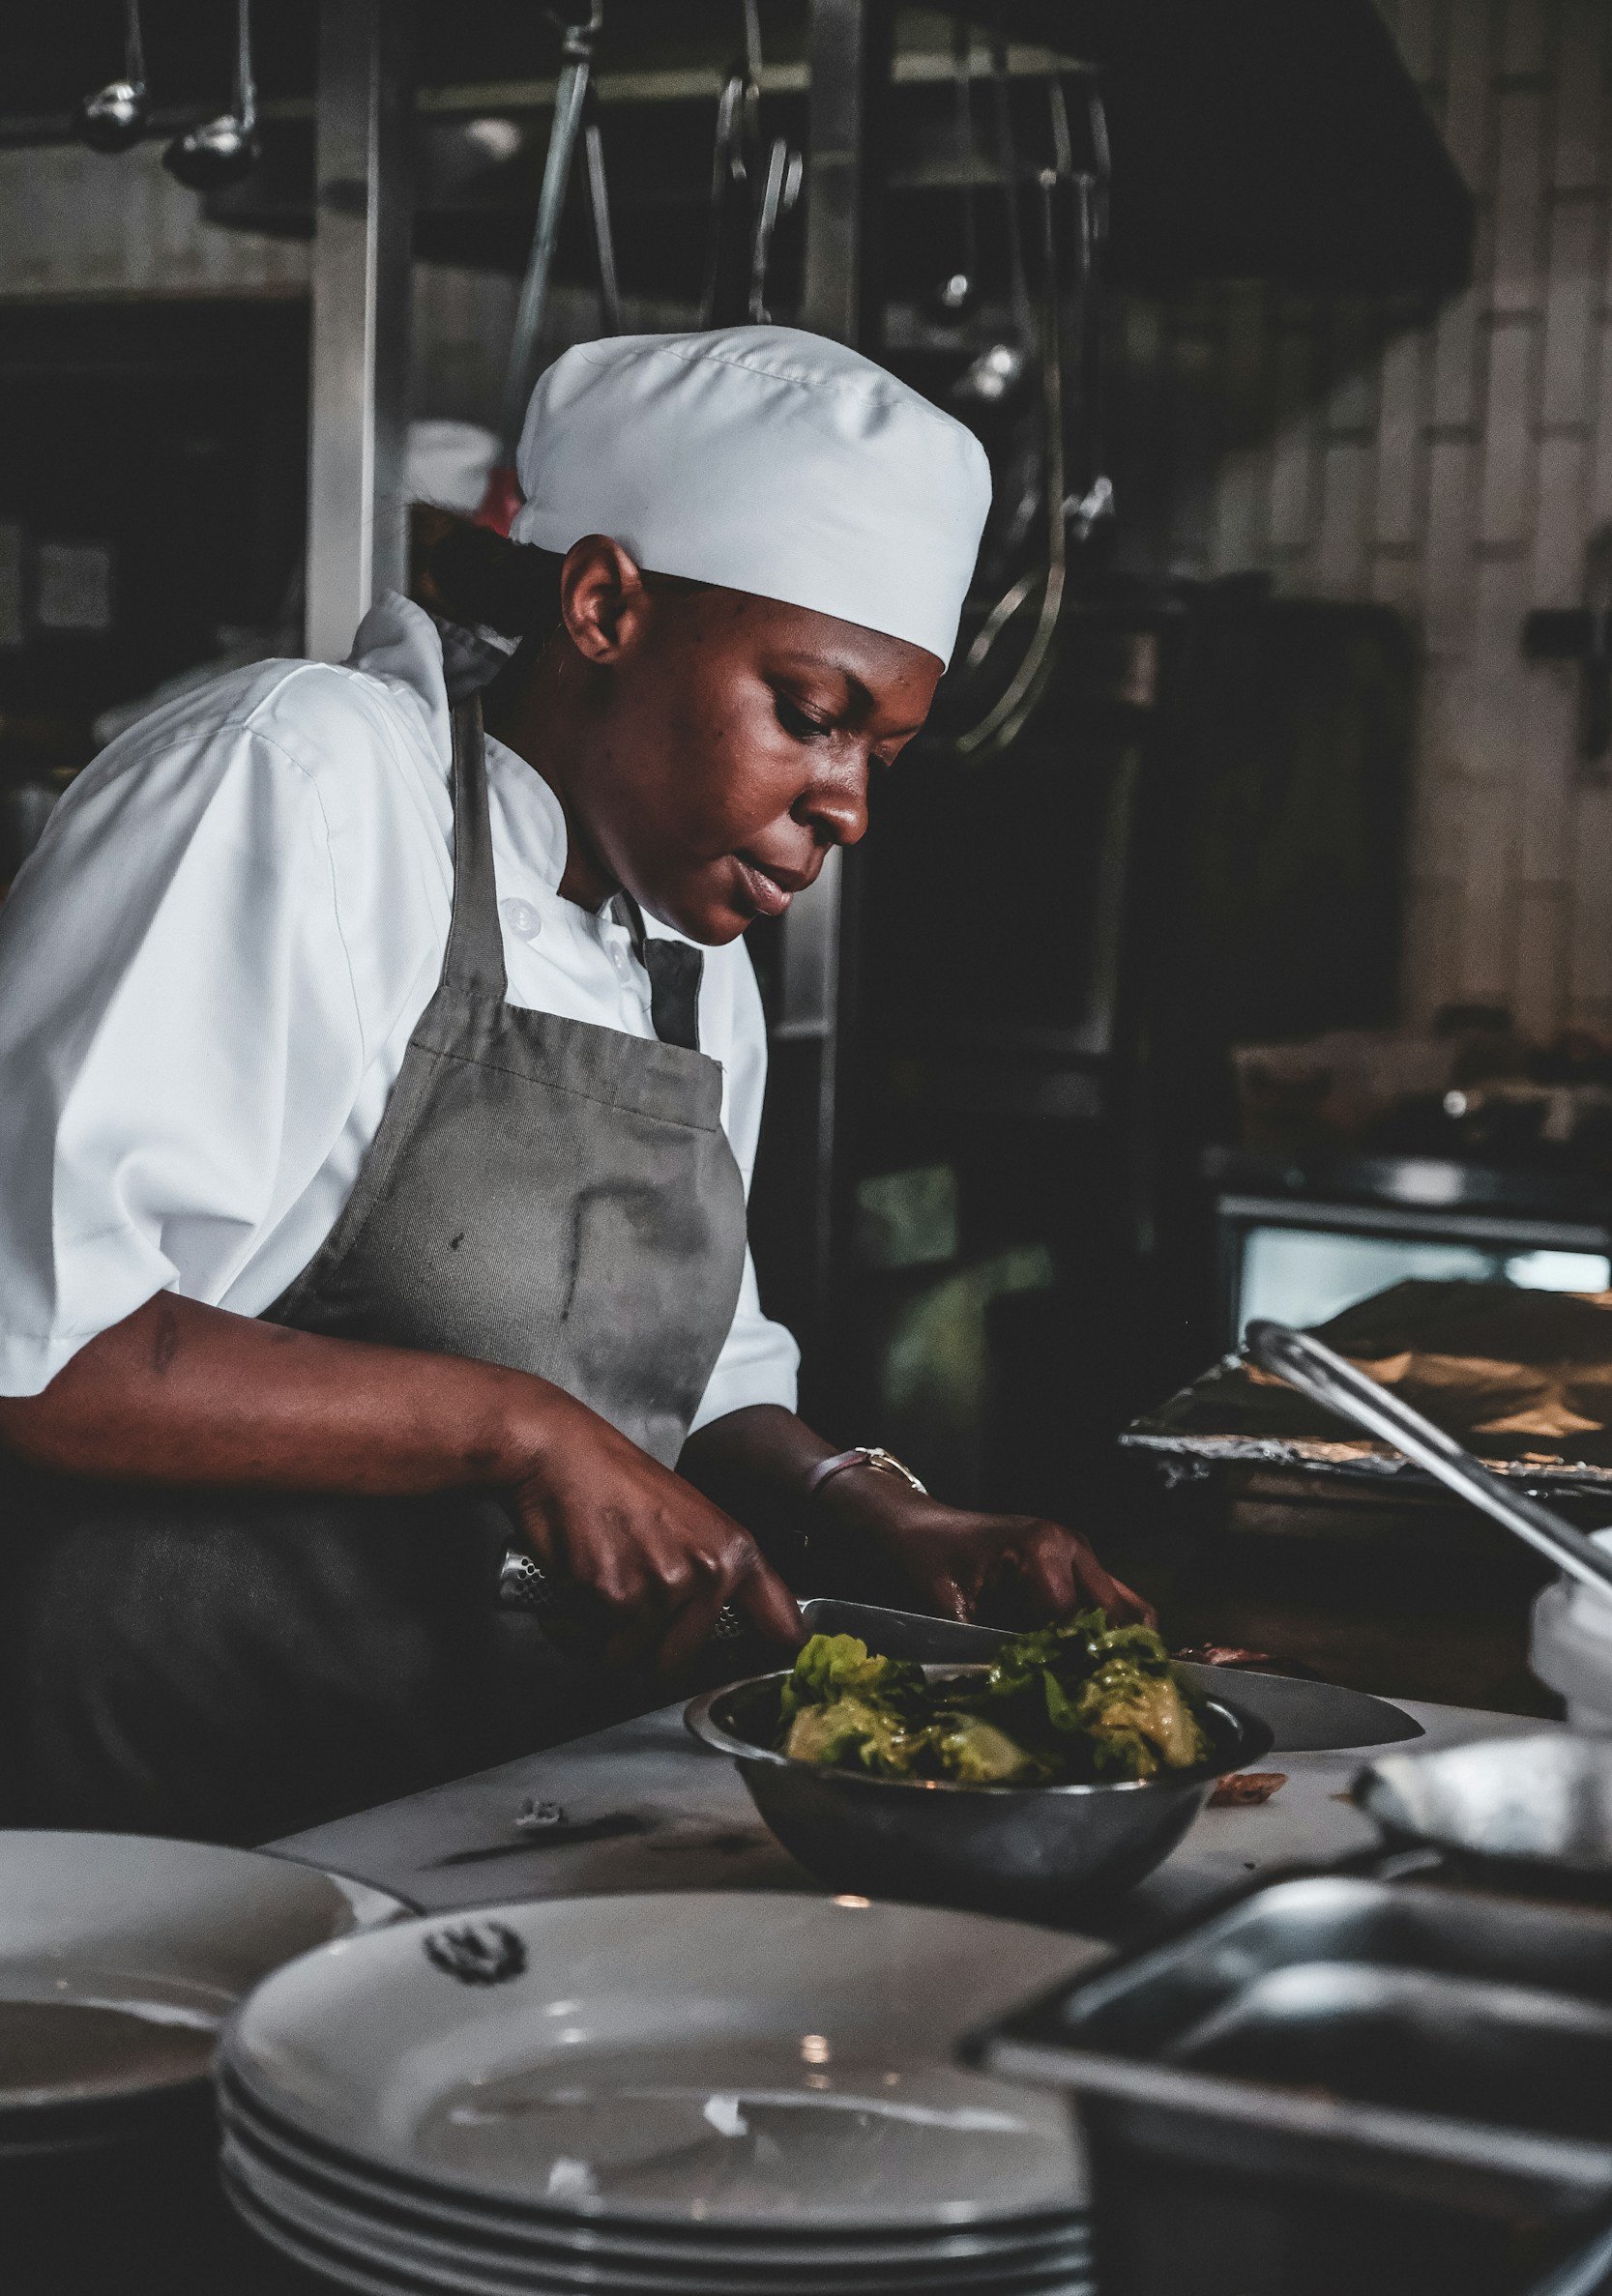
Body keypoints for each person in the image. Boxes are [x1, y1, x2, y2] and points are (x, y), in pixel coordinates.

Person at [0, 328, 1146, 1845]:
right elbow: (41, 1343)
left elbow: (697, 1374)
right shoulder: (316, 782)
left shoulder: (686, 954)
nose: (850, 803)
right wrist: (514, 1427)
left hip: (472, 1810)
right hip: (161, 1822)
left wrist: (872, 1503)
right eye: (809, 712)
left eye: (884, 750)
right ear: (604, 605)